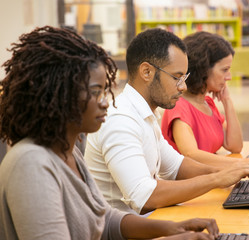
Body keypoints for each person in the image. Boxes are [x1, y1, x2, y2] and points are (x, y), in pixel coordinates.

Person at [0, 26, 220, 240]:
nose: (106, 102)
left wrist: (171, 228)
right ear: (59, 94)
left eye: (105, 91)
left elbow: (105, 221)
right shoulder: (31, 163)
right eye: (96, 92)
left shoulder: (68, 152)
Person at [84, 28, 249, 216]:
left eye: (183, 77)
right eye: (177, 77)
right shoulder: (121, 120)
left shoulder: (144, 115)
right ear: (146, 72)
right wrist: (217, 177)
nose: (183, 87)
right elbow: (144, 197)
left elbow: (176, 167)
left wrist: (230, 171)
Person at [160, 31, 249, 168]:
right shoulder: (179, 106)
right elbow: (191, 155)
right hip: (192, 186)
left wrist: (227, 101)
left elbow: (235, 146)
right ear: (203, 70)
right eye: (224, 70)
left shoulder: (207, 103)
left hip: (209, 180)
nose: (229, 77)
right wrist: (244, 163)